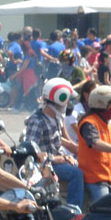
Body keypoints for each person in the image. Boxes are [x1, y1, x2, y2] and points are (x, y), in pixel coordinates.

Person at [23, 78, 84, 207]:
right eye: (67, 101)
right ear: (59, 100)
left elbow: (56, 139)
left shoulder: (55, 117)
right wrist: (59, 159)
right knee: (77, 173)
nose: (68, 105)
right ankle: (73, 209)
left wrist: (77, 149)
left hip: (57, 160)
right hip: (44, 166)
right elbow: (31, 151)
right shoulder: (37, 121)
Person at [77, 85, 111, 202]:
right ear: (101, 104)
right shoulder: (89, 123)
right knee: (104, 210)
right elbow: (95, 143)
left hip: (109, 176)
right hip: (96, 178)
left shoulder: (105, 123)